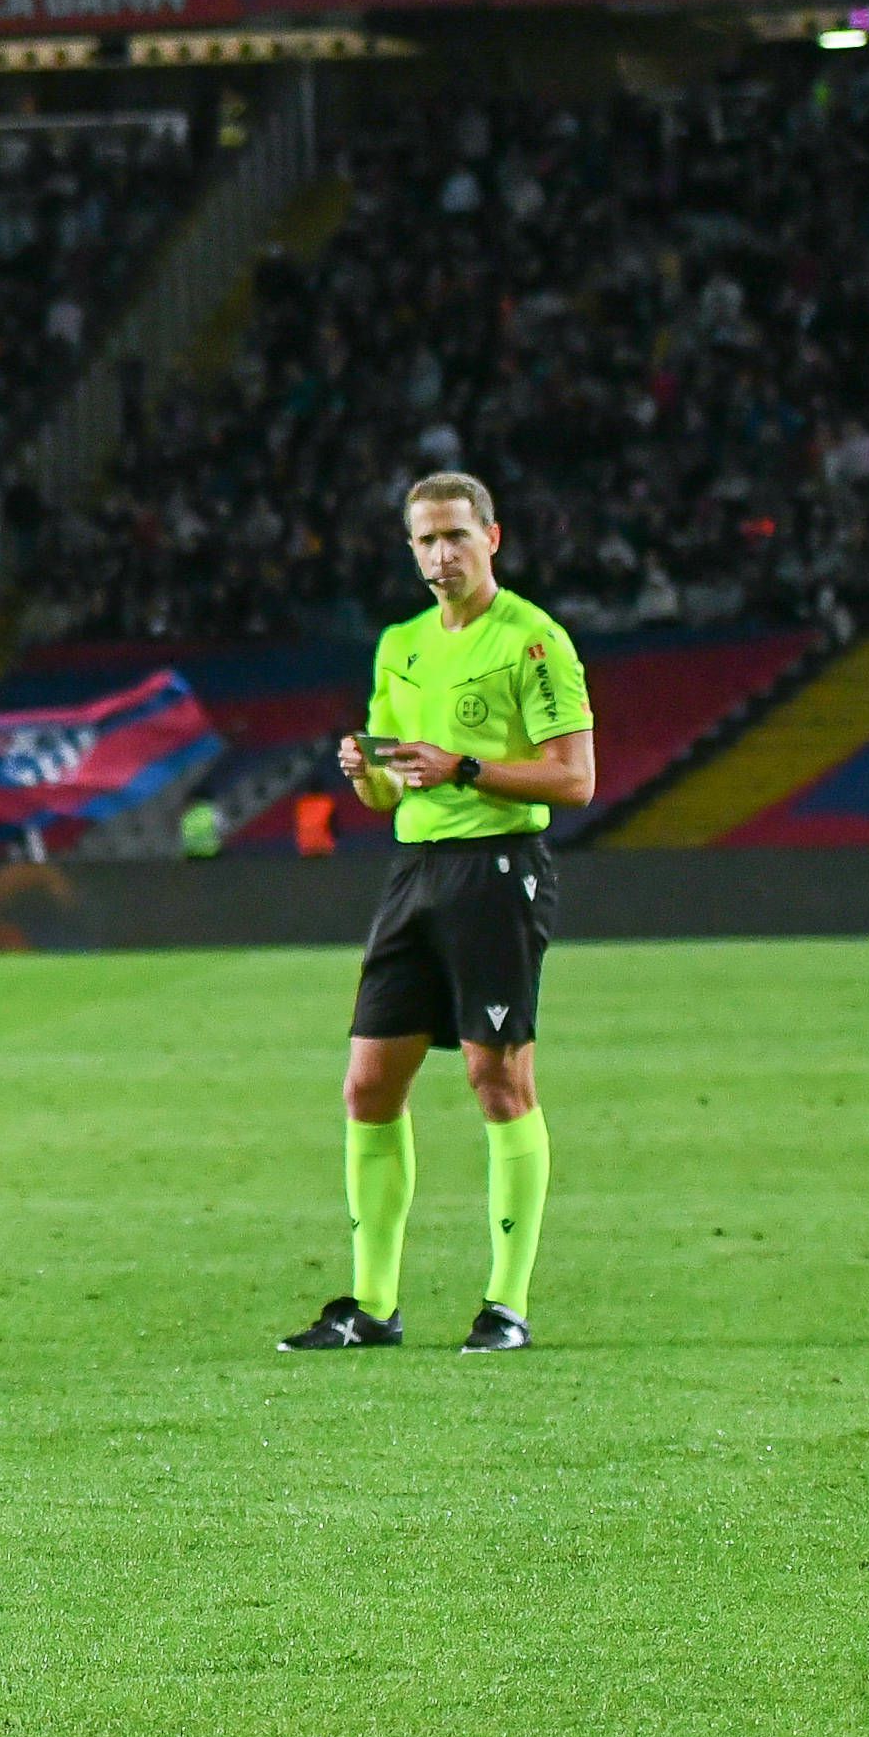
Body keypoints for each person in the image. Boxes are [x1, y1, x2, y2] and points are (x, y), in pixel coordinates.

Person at [288, 473, 595, 1357]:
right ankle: (372, 1307)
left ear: (491, 538)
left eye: (455, 536)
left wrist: (461, 767)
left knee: (496, 1081)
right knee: (367, 1085)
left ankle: (505, 1306)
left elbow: (574, 779)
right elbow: (391, 789)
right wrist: (366, 772)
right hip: (413, 872)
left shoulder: (533, 641)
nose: (439, 555)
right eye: (424, 541)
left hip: (498, 869)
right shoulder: (400, 645)